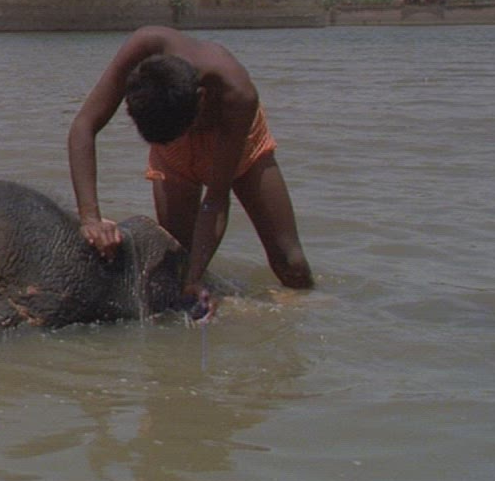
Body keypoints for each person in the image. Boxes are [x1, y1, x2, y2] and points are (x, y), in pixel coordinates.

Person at [66, 26, 311, 317]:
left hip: (239, 146)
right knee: (178, 265)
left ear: (202, 98)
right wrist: (90, 217)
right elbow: (84, 126)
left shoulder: (238, 95)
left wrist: (195, 278)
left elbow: (216, 200)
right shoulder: (145, 45)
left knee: (291, 264)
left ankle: (304, 318)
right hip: (174, 152)